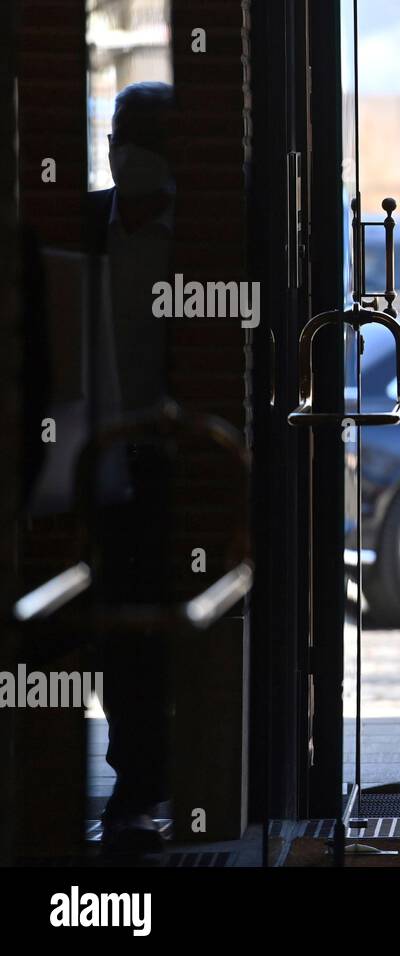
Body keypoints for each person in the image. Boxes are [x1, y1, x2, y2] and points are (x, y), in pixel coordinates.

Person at [89, 81, 178, 854]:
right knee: (115, 631)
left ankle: (162, 779)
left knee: (162, 628)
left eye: (145, 136)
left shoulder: (209, 238)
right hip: (91, 461)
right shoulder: (84, 225)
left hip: (176, 462)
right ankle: (135, 780)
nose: (127, 150)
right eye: (121, 133)